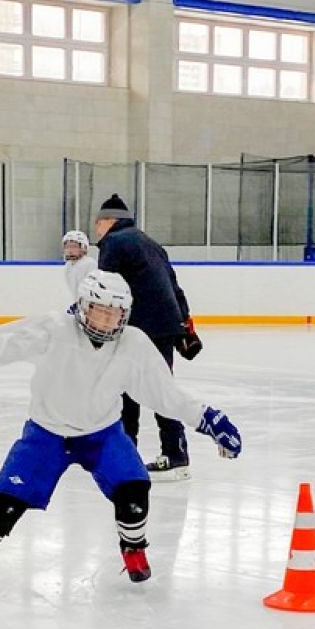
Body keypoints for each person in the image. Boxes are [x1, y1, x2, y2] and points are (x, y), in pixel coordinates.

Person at [0, 270, 240, 594]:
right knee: (7, 500)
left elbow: (164, 394)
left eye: (115, 313)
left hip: (103, 434)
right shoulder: (54, 329)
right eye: (101, 310)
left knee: (134, 490)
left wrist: (208, 419)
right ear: (84, 306)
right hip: (46, 433)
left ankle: (133, 548)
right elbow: (6, 343)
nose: (107, 321)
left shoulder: (133, 344)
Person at [95, 194, 203, 481]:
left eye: (98, 224)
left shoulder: (113, 243)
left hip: (137, 326)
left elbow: (105, 287)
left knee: (126, 388)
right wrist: (184, 326)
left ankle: (126, 454)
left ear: (108, 221)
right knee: (160, 387)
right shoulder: (151, 243)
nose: (96, 231)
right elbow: (174, 285)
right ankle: (175, 453)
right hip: (165, 326)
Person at [62, 229, 97, 299]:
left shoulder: (89, 263)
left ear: (83, 248)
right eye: (67, 247)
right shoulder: (68, 266)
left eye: (74, 247)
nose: (70, 250)